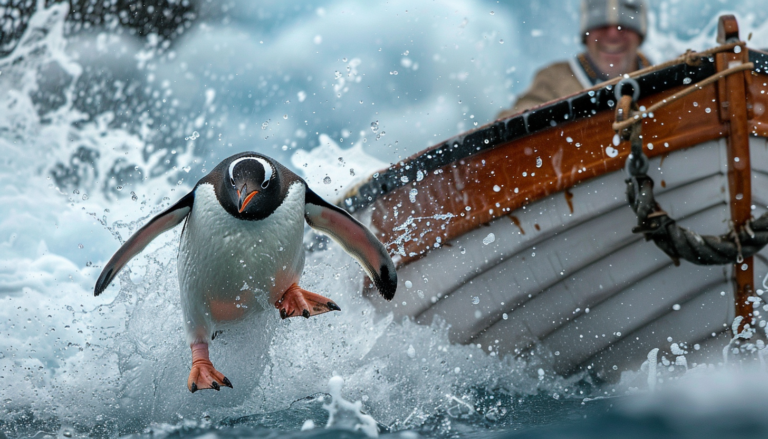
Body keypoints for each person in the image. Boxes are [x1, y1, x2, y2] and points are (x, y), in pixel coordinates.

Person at [498, 0, 651, 118]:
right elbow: (513, 123)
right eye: (601, 24)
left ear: (640, 35)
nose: (613, 34)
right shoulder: (553, 81)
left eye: (625, 25)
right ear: (586, 35)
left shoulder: (667, 82)